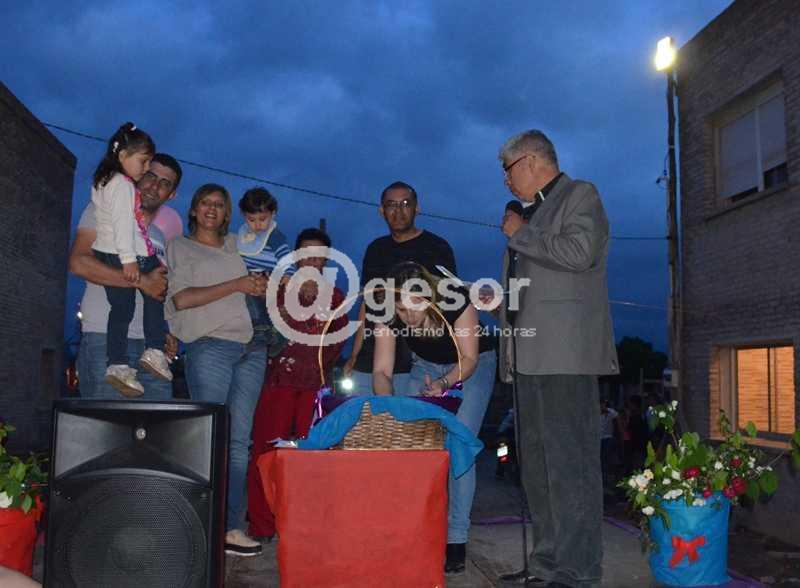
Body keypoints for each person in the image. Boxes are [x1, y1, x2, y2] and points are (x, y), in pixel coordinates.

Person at [496, 130, 618, 588]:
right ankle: (546, 564)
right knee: (537, 470)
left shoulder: (580, 195)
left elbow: (580, 253)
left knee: (571, 467)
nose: (506, 181)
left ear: (530, 161)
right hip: (528, 357)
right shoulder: (527, 215)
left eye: (507, 170)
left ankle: (578, 570)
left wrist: (522, 234)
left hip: (566, 356)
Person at [373, 261, 496, 574]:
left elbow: (468, 358)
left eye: (416, 306)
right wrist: (389, 405)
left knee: (459, 443)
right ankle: (418, 527)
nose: (409, 317)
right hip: (425, 365)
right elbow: (382, 371)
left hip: (472, 364)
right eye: (402, 309)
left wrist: (444, 384)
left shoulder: (455, 299)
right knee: (418, 443)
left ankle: (456, 538)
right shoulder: (387, 312)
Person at [165, 184, 268, 557]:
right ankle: (199, 527)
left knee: (239, 444)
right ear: (194, 210)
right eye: (205, 203)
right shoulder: (179, 246)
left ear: (227, 214)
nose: (212, 209)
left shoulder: (236, 246)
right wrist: (237, 284)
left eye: (219, 205)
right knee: (209, 438)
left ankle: (231, 528)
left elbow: (266, 265)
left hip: (252, 348)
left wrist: (260, 285)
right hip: (209, 346)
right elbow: (181, 299)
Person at [246, 228, 347, 541]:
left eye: (318, 253)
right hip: (277, 383)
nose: (311, 258)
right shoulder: (279, 288)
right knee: (266, 453)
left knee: (310, 456)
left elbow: (336, 343)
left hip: (314, 388)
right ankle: (262, 524)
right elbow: (261, 328)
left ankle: (303, 525)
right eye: (305, 252)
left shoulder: (336, 297)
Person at [69, 153, 183, 400]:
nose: (154, 186)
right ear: (139, 175)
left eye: (164, 183)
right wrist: (142, 281)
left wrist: (164, 330)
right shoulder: (105, 211)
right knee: (107, 424)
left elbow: (157, 290)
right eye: (150, 176)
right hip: (104, 340)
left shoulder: (159, 236)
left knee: (157, 423)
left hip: (151, 351)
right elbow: (78, 263)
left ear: (172, 194)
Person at [344, 181, 457, 396]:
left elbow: (448, 305)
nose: (398, 211)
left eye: (405, 204)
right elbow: (367, 304)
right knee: (365, 415)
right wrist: (354, 354)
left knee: (408, 417)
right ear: (382, 211)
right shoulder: (376, 250)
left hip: (416, 362)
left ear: (417, 208)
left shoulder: (437, 247)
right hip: (371, 357)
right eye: (391, 205)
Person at [89, 122, 172, 396]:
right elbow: (123, 226)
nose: (146, 168)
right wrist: (129, 260)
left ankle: (117, 364)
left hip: (107, 251)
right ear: (123, 155)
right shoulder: (123, 185)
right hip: (125, 252)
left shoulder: (103, 181)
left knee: (122, 310)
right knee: (158, 284)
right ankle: (155, 349)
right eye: (143, 162)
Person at [235, 187, 294, 356]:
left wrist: (288, 274)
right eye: (251, 219)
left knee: (256, 302)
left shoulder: (274, 236)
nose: (258, 225)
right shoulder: (244, 236)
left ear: (273, 214)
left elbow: (285, 256)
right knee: (257, 305)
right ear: (243, 215)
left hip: (270, 277)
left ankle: (262, 331)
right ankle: (275, 334)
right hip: (251, 276)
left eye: (262, 219)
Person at [600, 399, 619, 488]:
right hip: (599, 439)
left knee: (607, 459)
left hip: (608, 438)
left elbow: (617, 421)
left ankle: (609, 479)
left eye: (603, 404)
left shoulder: (611, 412)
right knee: (602, 459)